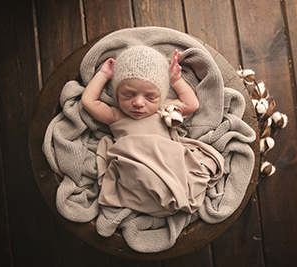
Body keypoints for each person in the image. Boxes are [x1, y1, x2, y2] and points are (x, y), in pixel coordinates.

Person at [82, 45, 224, 217]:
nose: (139, 103)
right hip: (136, 167)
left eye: (150, 97)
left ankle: (170, 192)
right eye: (128, 95)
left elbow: (192, 105)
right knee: (140, 177)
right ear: (117, 94)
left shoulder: (164, 108)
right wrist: (103, 75)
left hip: (167, 163)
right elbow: (89, 102)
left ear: (161, 96)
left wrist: (176, 81)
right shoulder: (116, 115)